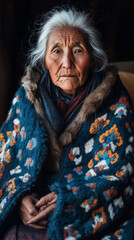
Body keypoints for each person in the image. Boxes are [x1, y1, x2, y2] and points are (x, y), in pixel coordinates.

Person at [0, 7, 134, 240]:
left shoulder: (116, 101)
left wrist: (69, 199)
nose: (67, 62)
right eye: (56, 51)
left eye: (78, 50)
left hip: (88, 210)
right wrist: (18, 198)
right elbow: (5, 162)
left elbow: (121, 172)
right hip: (34, 212)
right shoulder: (26, 99)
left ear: (92, 59)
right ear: (44, 60)